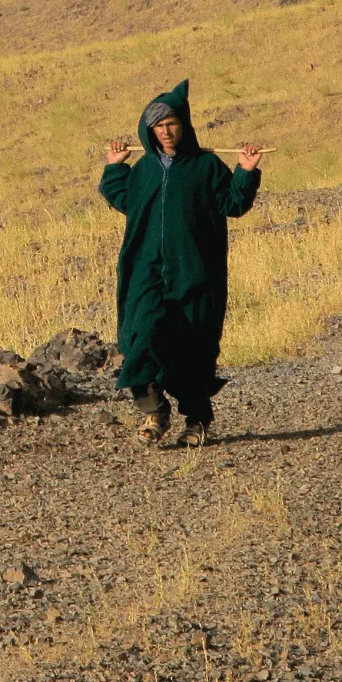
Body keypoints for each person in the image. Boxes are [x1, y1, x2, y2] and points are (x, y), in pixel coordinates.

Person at [100, 80, 264, 448]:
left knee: (191, 346)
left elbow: (233, 205)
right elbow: (126, 200)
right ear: (149, 131)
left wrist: (246, 171)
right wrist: (115, 168)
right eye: (158, 126)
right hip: (146, 272)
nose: (166, 132)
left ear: (184, 124)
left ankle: (197, 419)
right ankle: (154, 411)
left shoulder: (205, 166)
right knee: (141, 335)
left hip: (194, 274)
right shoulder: (143, 169)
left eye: (171, 123)